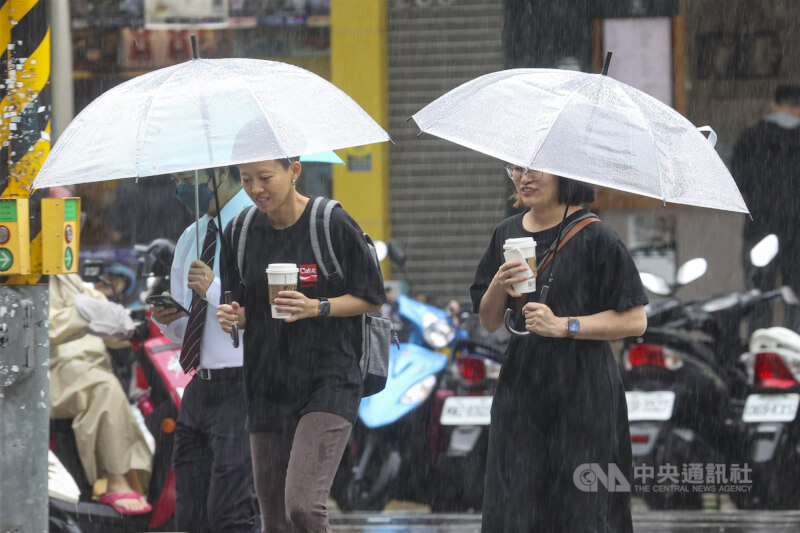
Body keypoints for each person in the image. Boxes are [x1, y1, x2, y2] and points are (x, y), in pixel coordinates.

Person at [470, 165, 648, 532]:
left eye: (535, 170)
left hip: (585, 390)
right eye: (516, 169)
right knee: (515, 505)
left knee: (585, 508)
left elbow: (634, 321)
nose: (524, 178)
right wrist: (498, 284)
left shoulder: (597, 237)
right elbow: (488, 321)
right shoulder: (507, 233)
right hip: (522, 386)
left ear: (566, 172)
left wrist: (564, 325)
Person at [216, 156, 385, 533]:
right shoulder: (239, 232)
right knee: (274, 522)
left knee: (303, 508)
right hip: (266, 384)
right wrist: (232, 316)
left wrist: (318, 306)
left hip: (328, 380)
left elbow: (372, 297)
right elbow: (243, 307)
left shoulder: (330, 223)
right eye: (246, 179)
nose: (256, 189)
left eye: (265, 177)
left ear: (293, 171)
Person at [150, 165, 260, 533]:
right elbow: (190, 330)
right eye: (176, 182)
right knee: (190, 513)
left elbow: (267, 313)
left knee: (231, 510)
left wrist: (213, 289)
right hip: (199, 387)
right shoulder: (190, 237)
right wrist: (168, 318)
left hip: (245, 384)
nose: (181, 191)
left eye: (186, 182)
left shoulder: (258, 226)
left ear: (219, 173)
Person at [49, 273, 153, 515]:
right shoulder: (18, 272)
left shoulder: (66, 276)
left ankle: (138, 480)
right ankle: (115, 479)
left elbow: (106, 314)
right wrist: (82, 315)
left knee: (112, 384)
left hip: (91, 367)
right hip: (47, 373)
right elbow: (35, 326)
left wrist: (141, 322)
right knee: (104, 388)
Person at [731, 84, 800, 330]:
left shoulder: (751, 138)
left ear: (773, 105)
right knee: (797, 302)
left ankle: (759, 356)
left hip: (759, 228)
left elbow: (737, 184)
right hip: (797, 232)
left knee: (758, 298)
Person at [109, 174, 194, 246]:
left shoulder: (125, 189)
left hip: (137, 256)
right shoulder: (182, 187)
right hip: (174, 253)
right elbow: (193, 228)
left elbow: (117, 235)